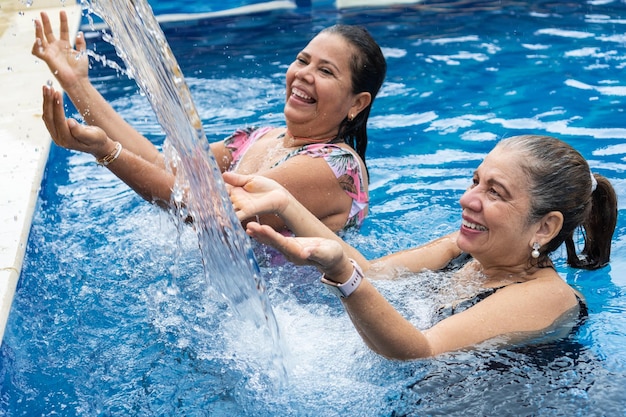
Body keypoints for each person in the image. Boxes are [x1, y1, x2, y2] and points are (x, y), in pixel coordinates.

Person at [223, 135, 618, 359]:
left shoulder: (546, 298)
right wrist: (284, 202)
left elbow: (419, 350)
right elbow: (374, 272)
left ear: (545, 227)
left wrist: (341, 274)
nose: (468, 200)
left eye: (495, 193)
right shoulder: (465, 250)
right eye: (474, 181)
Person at [33, 11, 387, 232]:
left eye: (325, 71)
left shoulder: (333, 168)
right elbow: (166, 167)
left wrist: (106, 152)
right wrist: (77, 85)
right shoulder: (261, 137)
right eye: (302, 60)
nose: (303, 75)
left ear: (357, 103)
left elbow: (206, 213)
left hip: (304, 329)